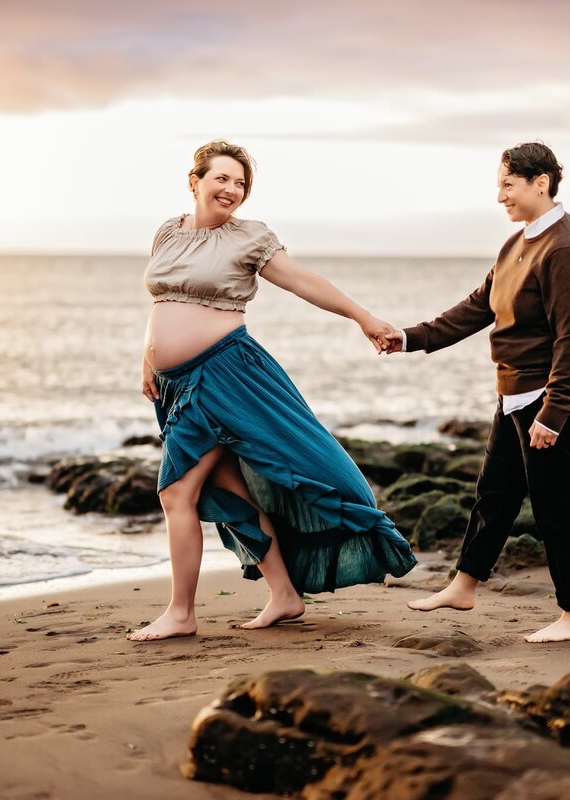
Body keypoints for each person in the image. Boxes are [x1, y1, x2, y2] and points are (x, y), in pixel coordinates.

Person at [130, 139, 418, 642]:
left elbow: (304, 281)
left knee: (177, 492)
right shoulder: (167, 233)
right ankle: (284, 595)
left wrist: (362, 317)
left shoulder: (250, 238)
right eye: (221, 178)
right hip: (178, 385)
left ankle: (181, 613)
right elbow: (164, 301)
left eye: (240, 183)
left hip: (227, 376)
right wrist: (148, 357)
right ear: (194, 181)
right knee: (227, 491)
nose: (232, 190)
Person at [384, 142, 570, 643]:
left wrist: (554, 414)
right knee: (494, 495)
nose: (499, 195)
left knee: (558, 509)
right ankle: (463, 586)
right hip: (517, 396)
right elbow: (478, 306)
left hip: (555, 398)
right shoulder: (518, 243)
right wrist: (408, 338)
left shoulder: (565, 249)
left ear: (541, 183)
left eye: (508, 184)